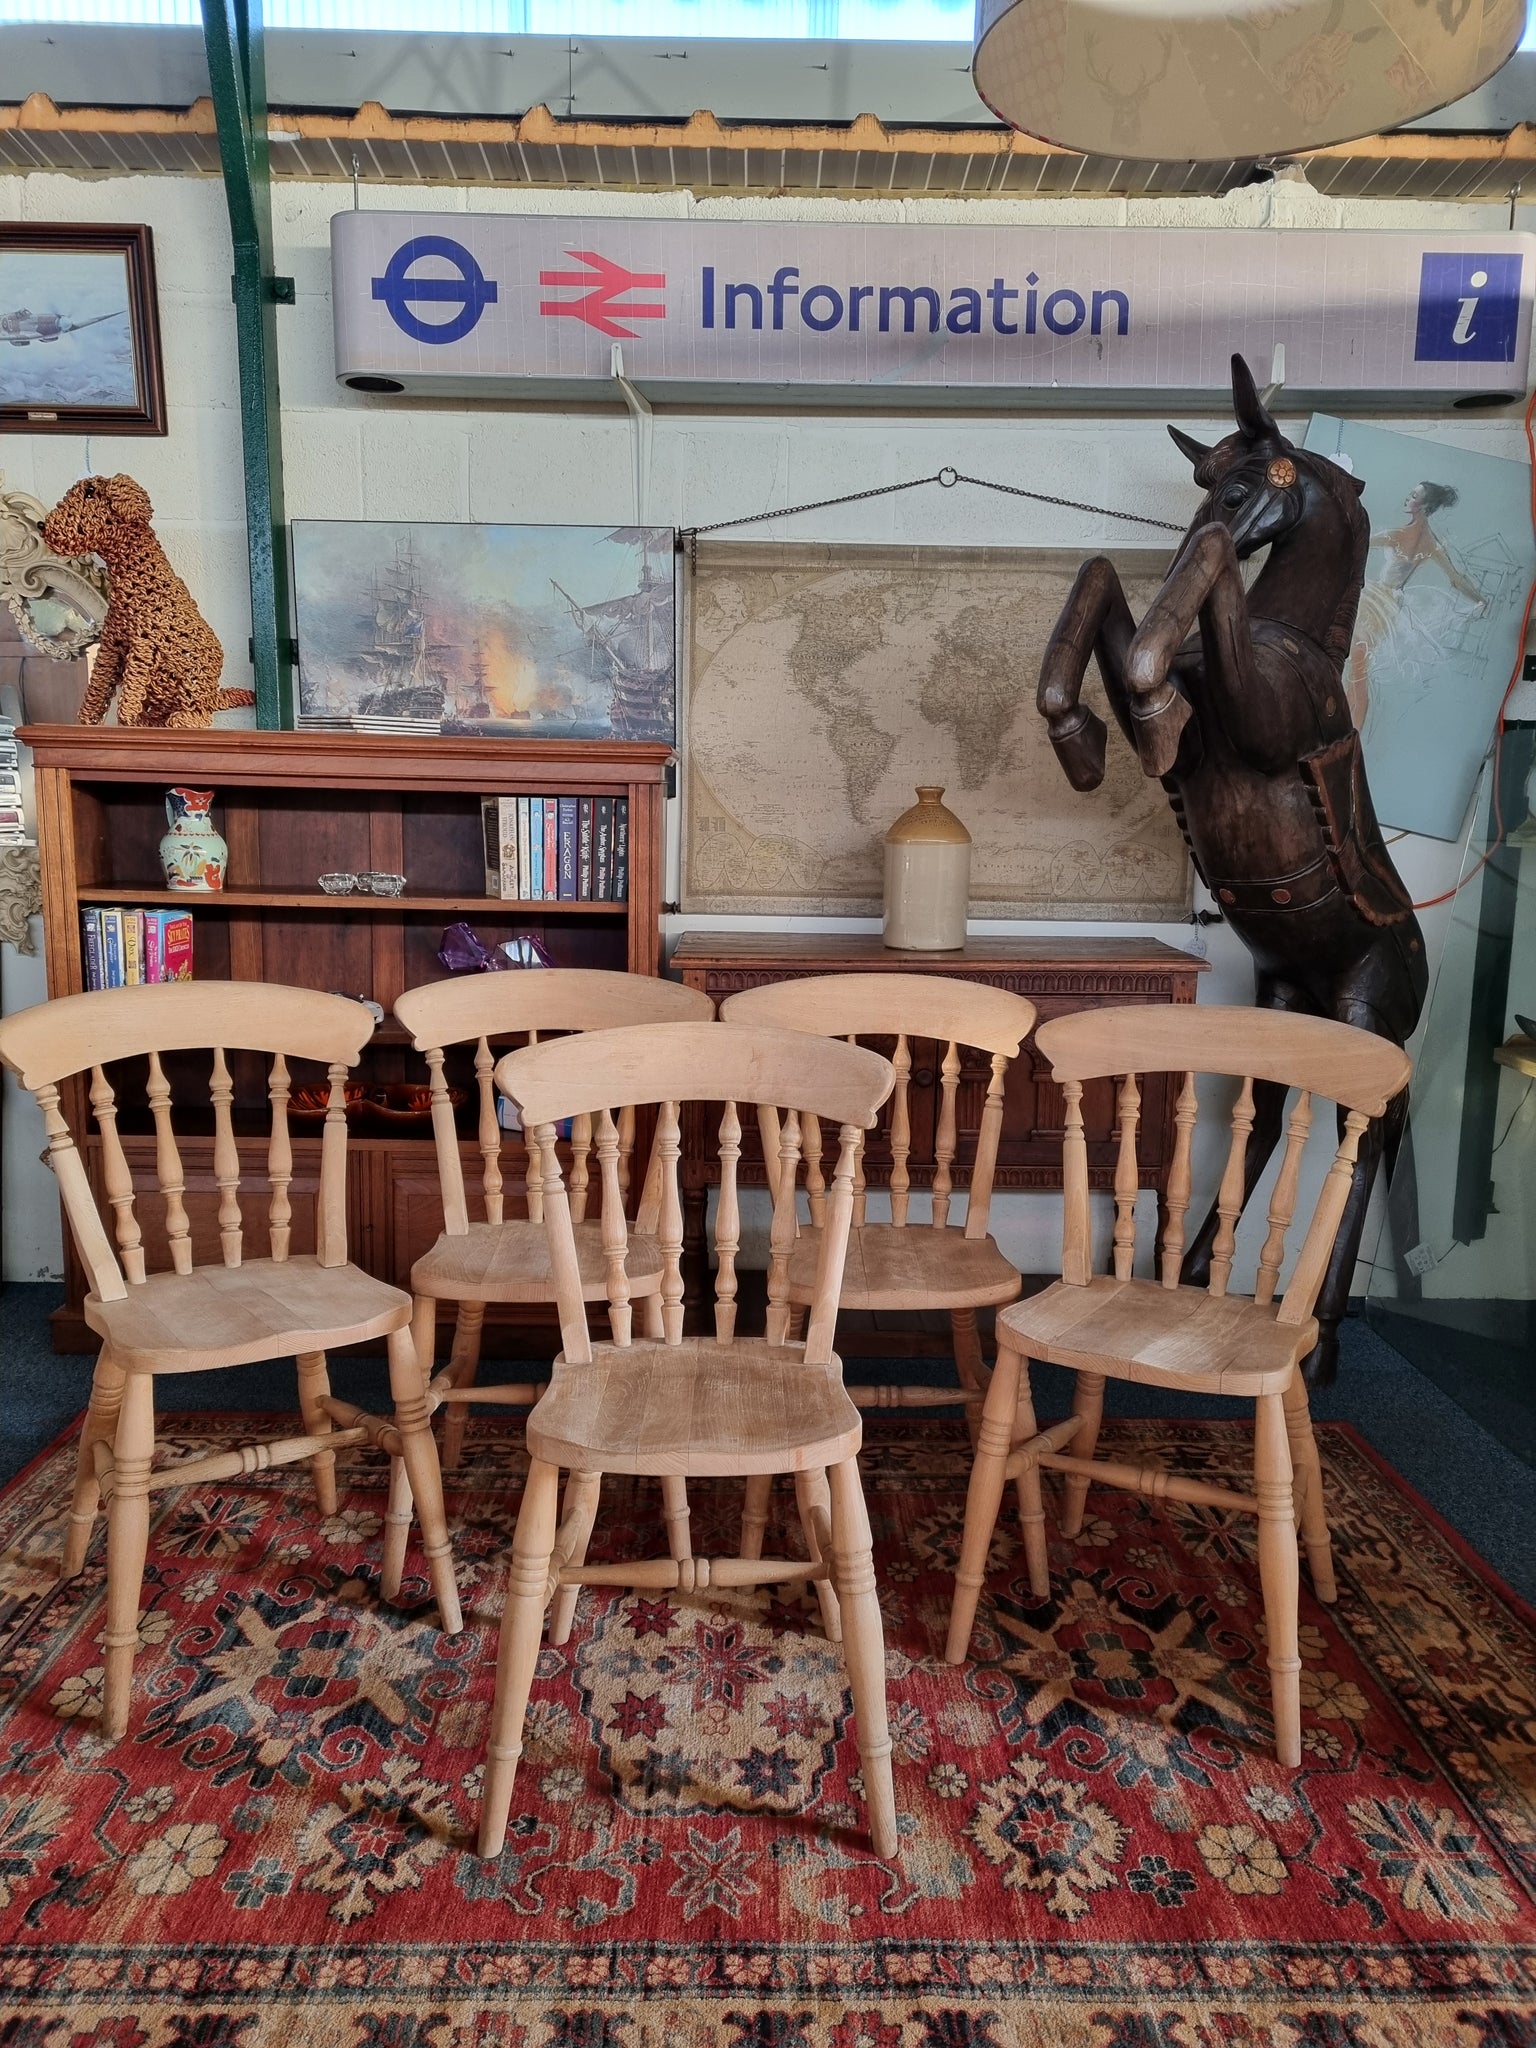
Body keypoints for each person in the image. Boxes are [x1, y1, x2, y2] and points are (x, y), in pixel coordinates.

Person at [1348, 481, 1488, 729]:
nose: (1407, 498)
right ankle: (1350, 731)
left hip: (1375, 602)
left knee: (1357, 668)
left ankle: (1351, 732)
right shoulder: (1431, 542)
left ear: (1424, 506)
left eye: (1413, 496)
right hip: (1388, 604)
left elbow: (1359, 543)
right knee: (1358, 668)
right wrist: (1479, 598)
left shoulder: (1400, 534)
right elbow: (1456, 579)